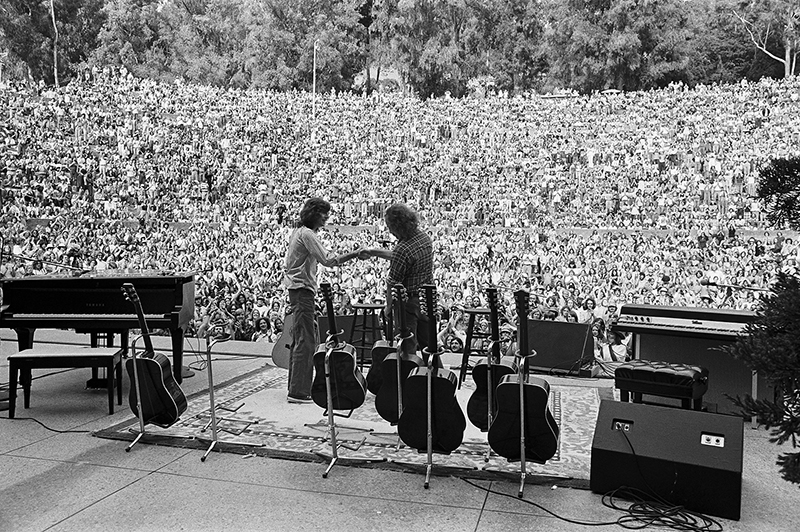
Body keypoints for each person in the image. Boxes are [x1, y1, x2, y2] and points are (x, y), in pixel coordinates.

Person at [284, 197, 363, 404]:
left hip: (299, 289)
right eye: (323, 213)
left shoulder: (299, 232)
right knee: (306, 340)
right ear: (313, 214)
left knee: (301, 338)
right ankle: (299, 392)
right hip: (302, 290)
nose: (327, 217)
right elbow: (328, 260)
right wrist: (355, 254)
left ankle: (296, 385)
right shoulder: (308, 234)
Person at [361, 203, 434, 356]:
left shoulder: (403, 249)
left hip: (408, 302)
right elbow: (402, 257)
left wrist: (388, 306)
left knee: (407, 348)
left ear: (396, 227)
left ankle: (408, 378)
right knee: (430, 347)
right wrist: (374, 252)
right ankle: (435, 377)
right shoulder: (424, 237)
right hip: (427, 299)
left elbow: (392, 282)